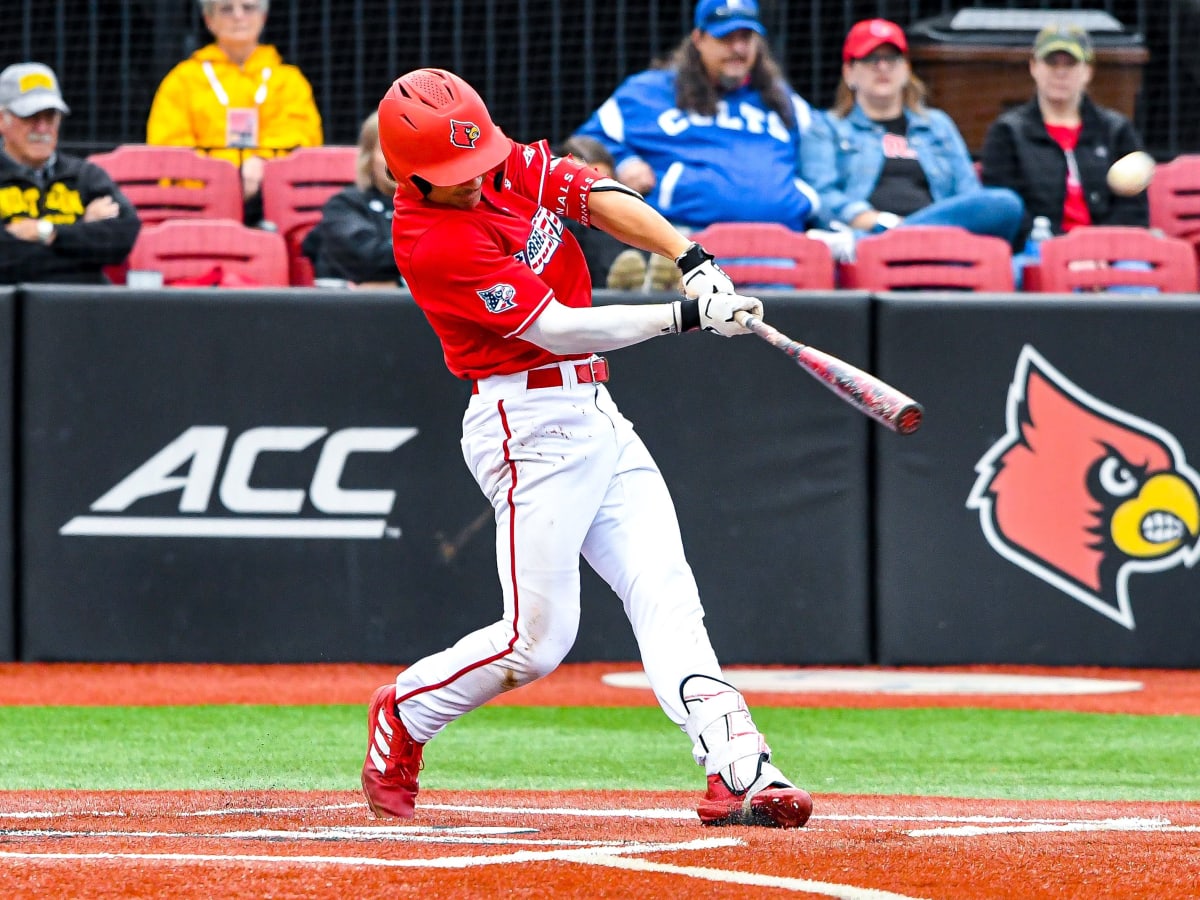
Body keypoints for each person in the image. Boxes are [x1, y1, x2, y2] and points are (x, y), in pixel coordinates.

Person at [360, 67, 813, 830]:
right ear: (411, 175)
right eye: (454, 176)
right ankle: (404, 712)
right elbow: (554, 327)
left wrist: (691, 258)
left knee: (665, 587)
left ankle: (738, 765)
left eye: (477, 166)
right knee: (534, 643)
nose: (475, 182)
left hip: (594, 407)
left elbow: (594, 197)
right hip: (525, 427)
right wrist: (685, 318)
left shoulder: (493, 160)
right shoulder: (429, 240)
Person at [572, 0, 819, 235]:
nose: (738, 48)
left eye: (746, 37)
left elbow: (827, 150)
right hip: (679, 248)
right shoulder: (649, 93)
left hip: (782, 247)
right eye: (726, 37)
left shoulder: (782, 100)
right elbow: (581, 145)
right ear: (698, 39)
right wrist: (624, 161)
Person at [799, 18, 1023, 257]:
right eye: (871, 59)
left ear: (906, 69)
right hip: (869, 233)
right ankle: (892, 242)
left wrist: (901, 228)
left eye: (892, 59)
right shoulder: (825, 128)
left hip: (937, 241)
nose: (883, 67)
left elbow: (969, 195)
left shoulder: (937, 125)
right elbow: (822, 197)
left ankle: (895, 240)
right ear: (849, 72)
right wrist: (879, 220)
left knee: (1005, 204)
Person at [146, 0, 323, 223]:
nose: (238, 16)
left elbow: (300, 134)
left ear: (263, 17)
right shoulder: (182, 80)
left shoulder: (289, 81)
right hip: (198, 205)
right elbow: (169, 145)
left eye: (248, 8)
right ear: (209, 21)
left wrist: (259, 163)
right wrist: (223, 176)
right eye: (226, 9)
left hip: (270, 200)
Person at [980, 23, 1149, 247]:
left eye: (1070, 63)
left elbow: (1134, 210)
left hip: (1111, 252)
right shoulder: (1007, 132)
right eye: (1051, 62)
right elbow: (1005, 210)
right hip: (1038, 250)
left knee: (1137, 278)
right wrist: (1061, 251)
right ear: (1033, 67)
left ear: (1088, 71)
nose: (1060, 72)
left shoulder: (1117, 130)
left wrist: (1101, 250)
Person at [0, 63, 141, 285]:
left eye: (50, 117)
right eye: (30, 117)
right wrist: (82, 231)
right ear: (1, 120)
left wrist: (47, 231)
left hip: (83, 309)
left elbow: (121, 238)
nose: (42, 128)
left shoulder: (86, 176)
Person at [301, 112, 401, 288]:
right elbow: (367, 259)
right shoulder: (343, 206)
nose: (399, 159)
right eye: (387, 149)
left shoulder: (436, 207)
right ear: (368, 157)